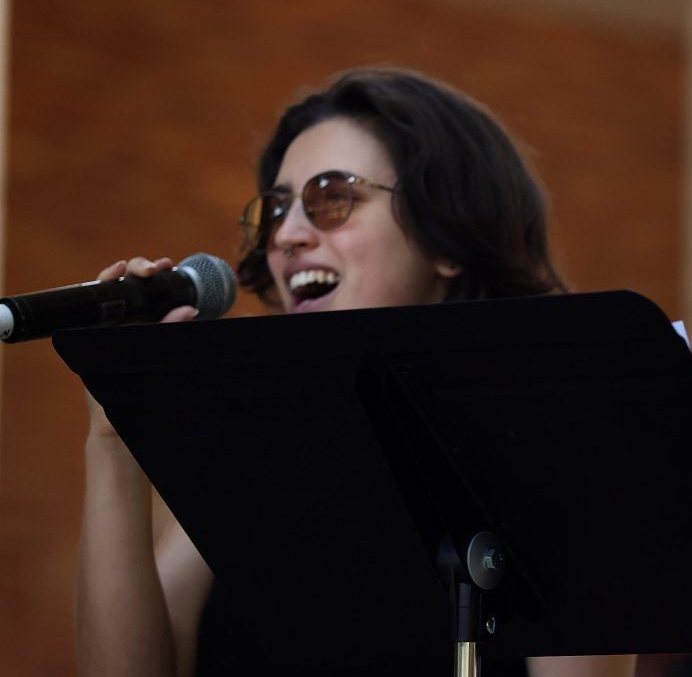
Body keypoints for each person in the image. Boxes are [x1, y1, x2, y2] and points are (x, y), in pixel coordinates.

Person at [75, 67, 635, 677]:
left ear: (446, 238)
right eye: (277, 209)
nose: (287, 235)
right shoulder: (253, 451)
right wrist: (112, 442)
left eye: (332, 198)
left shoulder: (546, 457)